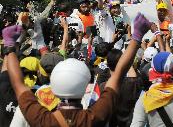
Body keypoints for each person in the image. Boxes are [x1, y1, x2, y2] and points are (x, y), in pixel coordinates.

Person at [2, 12, 152, 127]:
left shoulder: (40, 118)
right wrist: (136, 37)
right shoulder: (95, 116)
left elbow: (18, 84)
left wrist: (9, 45)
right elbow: (118, 75)